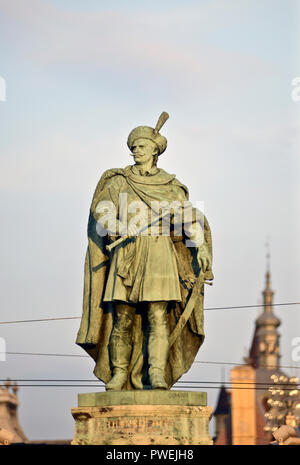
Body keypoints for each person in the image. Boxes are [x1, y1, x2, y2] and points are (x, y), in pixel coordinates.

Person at [76, 113, 213, 390]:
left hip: (160, 252)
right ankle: (119, 373)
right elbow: (101, 209)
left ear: (154, 149)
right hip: (127, 253)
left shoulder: (170, 185)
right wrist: (115, 224)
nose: (135, 150)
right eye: (133, 146)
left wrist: (200, 244)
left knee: (157, 316)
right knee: (122, 318)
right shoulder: (119, 182)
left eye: (141, 146)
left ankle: (158, 373)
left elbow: (187, 217)